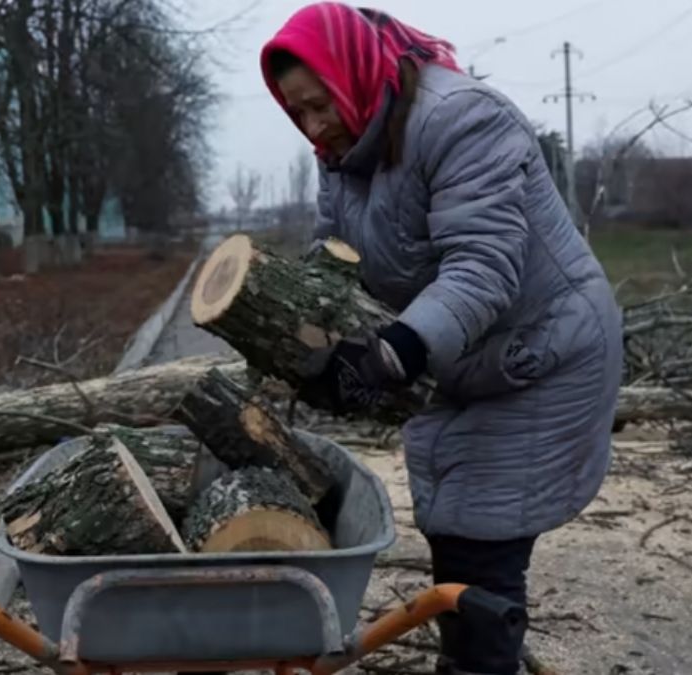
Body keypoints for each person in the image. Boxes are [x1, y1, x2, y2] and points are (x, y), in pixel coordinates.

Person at [260, 4, 622, 674]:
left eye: (319, 105)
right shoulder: (340, 151)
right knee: (453, 524)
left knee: (481, 537)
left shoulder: (461, 119)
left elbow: (483, 264)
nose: (313, 126)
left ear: (352, 72)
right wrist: (316, 343)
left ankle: (479, 665)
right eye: (298, 112)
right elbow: (332, 255)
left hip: (542, 354)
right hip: (462, 358)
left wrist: (397, 348)